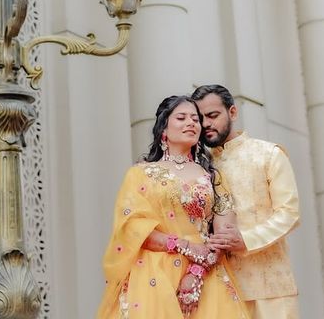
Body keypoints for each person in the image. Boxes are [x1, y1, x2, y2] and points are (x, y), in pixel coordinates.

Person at [97, 95, 250, 319]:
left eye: (195, 119)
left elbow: (224, 234)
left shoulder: (213, 176)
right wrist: (185, 246)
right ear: (164, 130)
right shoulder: (140, 174)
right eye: (181, 118)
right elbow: (133, 229)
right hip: (155, 276)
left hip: (207, 274)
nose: (191, 123)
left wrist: (196, 274)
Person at [191, 84, 300, 319]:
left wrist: (246, 240)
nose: (206, 124)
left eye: (213, 115)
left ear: (232, 112)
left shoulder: (268, 154)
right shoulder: (199, 168)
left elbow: (289, 214)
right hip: (220, 288)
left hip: (271, 286)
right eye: (200, 118)